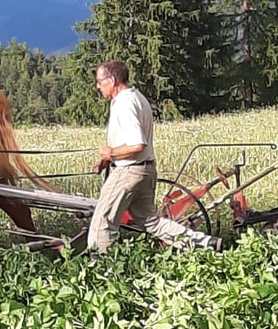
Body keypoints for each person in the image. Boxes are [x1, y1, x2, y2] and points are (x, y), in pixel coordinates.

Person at [87, 60, 222, 254]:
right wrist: (108, 159)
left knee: (102, 222)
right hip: (146, 170)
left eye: (100, 81)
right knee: (151, 222)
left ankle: (99, 269)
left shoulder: (124, 104)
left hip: (128, 172)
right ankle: (205, 243)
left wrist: (112, 153)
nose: (97, 86)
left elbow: (137, 144)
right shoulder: (137, 97)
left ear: (113, 80)